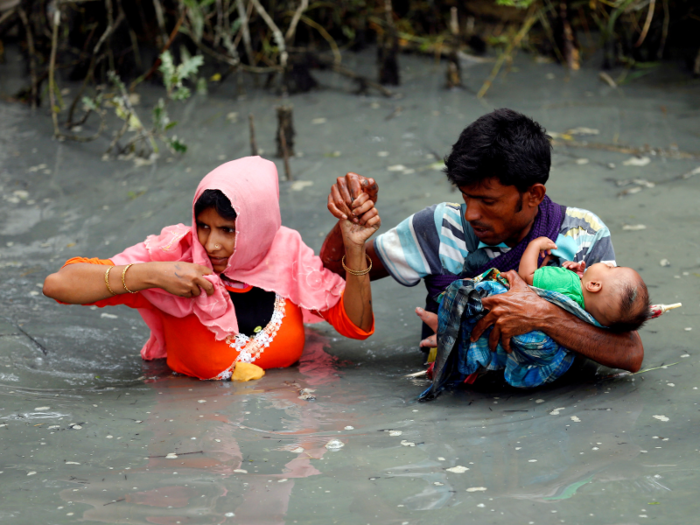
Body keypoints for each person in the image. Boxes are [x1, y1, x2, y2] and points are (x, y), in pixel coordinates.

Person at [320, 108, 644, 373]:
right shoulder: (438, 226)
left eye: (487, 201)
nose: (472, 214)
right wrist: (349, 226)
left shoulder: (584, 235)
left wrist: (542, 314)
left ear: (534, 195)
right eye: (465, 196)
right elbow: (330, 272)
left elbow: (628, 354)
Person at [43, 156, 381, 380]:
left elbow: (356, 326)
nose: (211, 244)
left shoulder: (286, 253)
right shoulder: (173, 254)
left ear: (257, 227)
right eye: (203, 226)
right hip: (194, 442)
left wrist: (353, 247)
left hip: (280, 445)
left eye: (228, 230)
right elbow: (58, 284)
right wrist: (153, 275)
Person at [519, 237, 650, 332]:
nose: (610, 264)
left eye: (611, 268)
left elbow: (526, 276)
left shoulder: (565, 282)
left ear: (593, 285)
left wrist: (534, 246)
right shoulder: (590, 322)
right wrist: (579, 278)